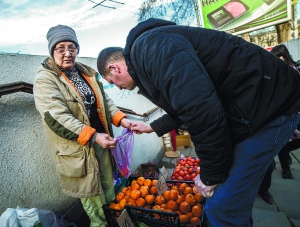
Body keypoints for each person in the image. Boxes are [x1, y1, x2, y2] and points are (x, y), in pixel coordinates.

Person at [97, 18, 300, 226]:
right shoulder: (150, 50)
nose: (118, 89)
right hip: (263, 108)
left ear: (114, 68)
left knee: (222, 207)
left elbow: (201, 110)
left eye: (112, 83)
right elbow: (184, 106)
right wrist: (150, 126)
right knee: (233, 204)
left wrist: (210, 176)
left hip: (269, 110)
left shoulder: (150, 50)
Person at [33, 25, 132, 227]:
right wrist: (94, 136)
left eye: (72, 47)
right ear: (52, 51)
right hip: (79, 152)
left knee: (108, 192)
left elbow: (104, 102)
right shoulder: (46, 78)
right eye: (61, 48)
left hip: (101, 143)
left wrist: (121, 119)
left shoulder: (86, 73)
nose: (67, 53)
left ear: (78, 49)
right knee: (94, 203)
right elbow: (57, 118)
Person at [270, 44, 300, 179]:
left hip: (297, 111)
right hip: (287, 112)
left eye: (277, 57)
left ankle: (285, 155)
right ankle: (285, 167)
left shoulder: (295, 69)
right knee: (284, 141)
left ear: (283, 56)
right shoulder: (277, 72)